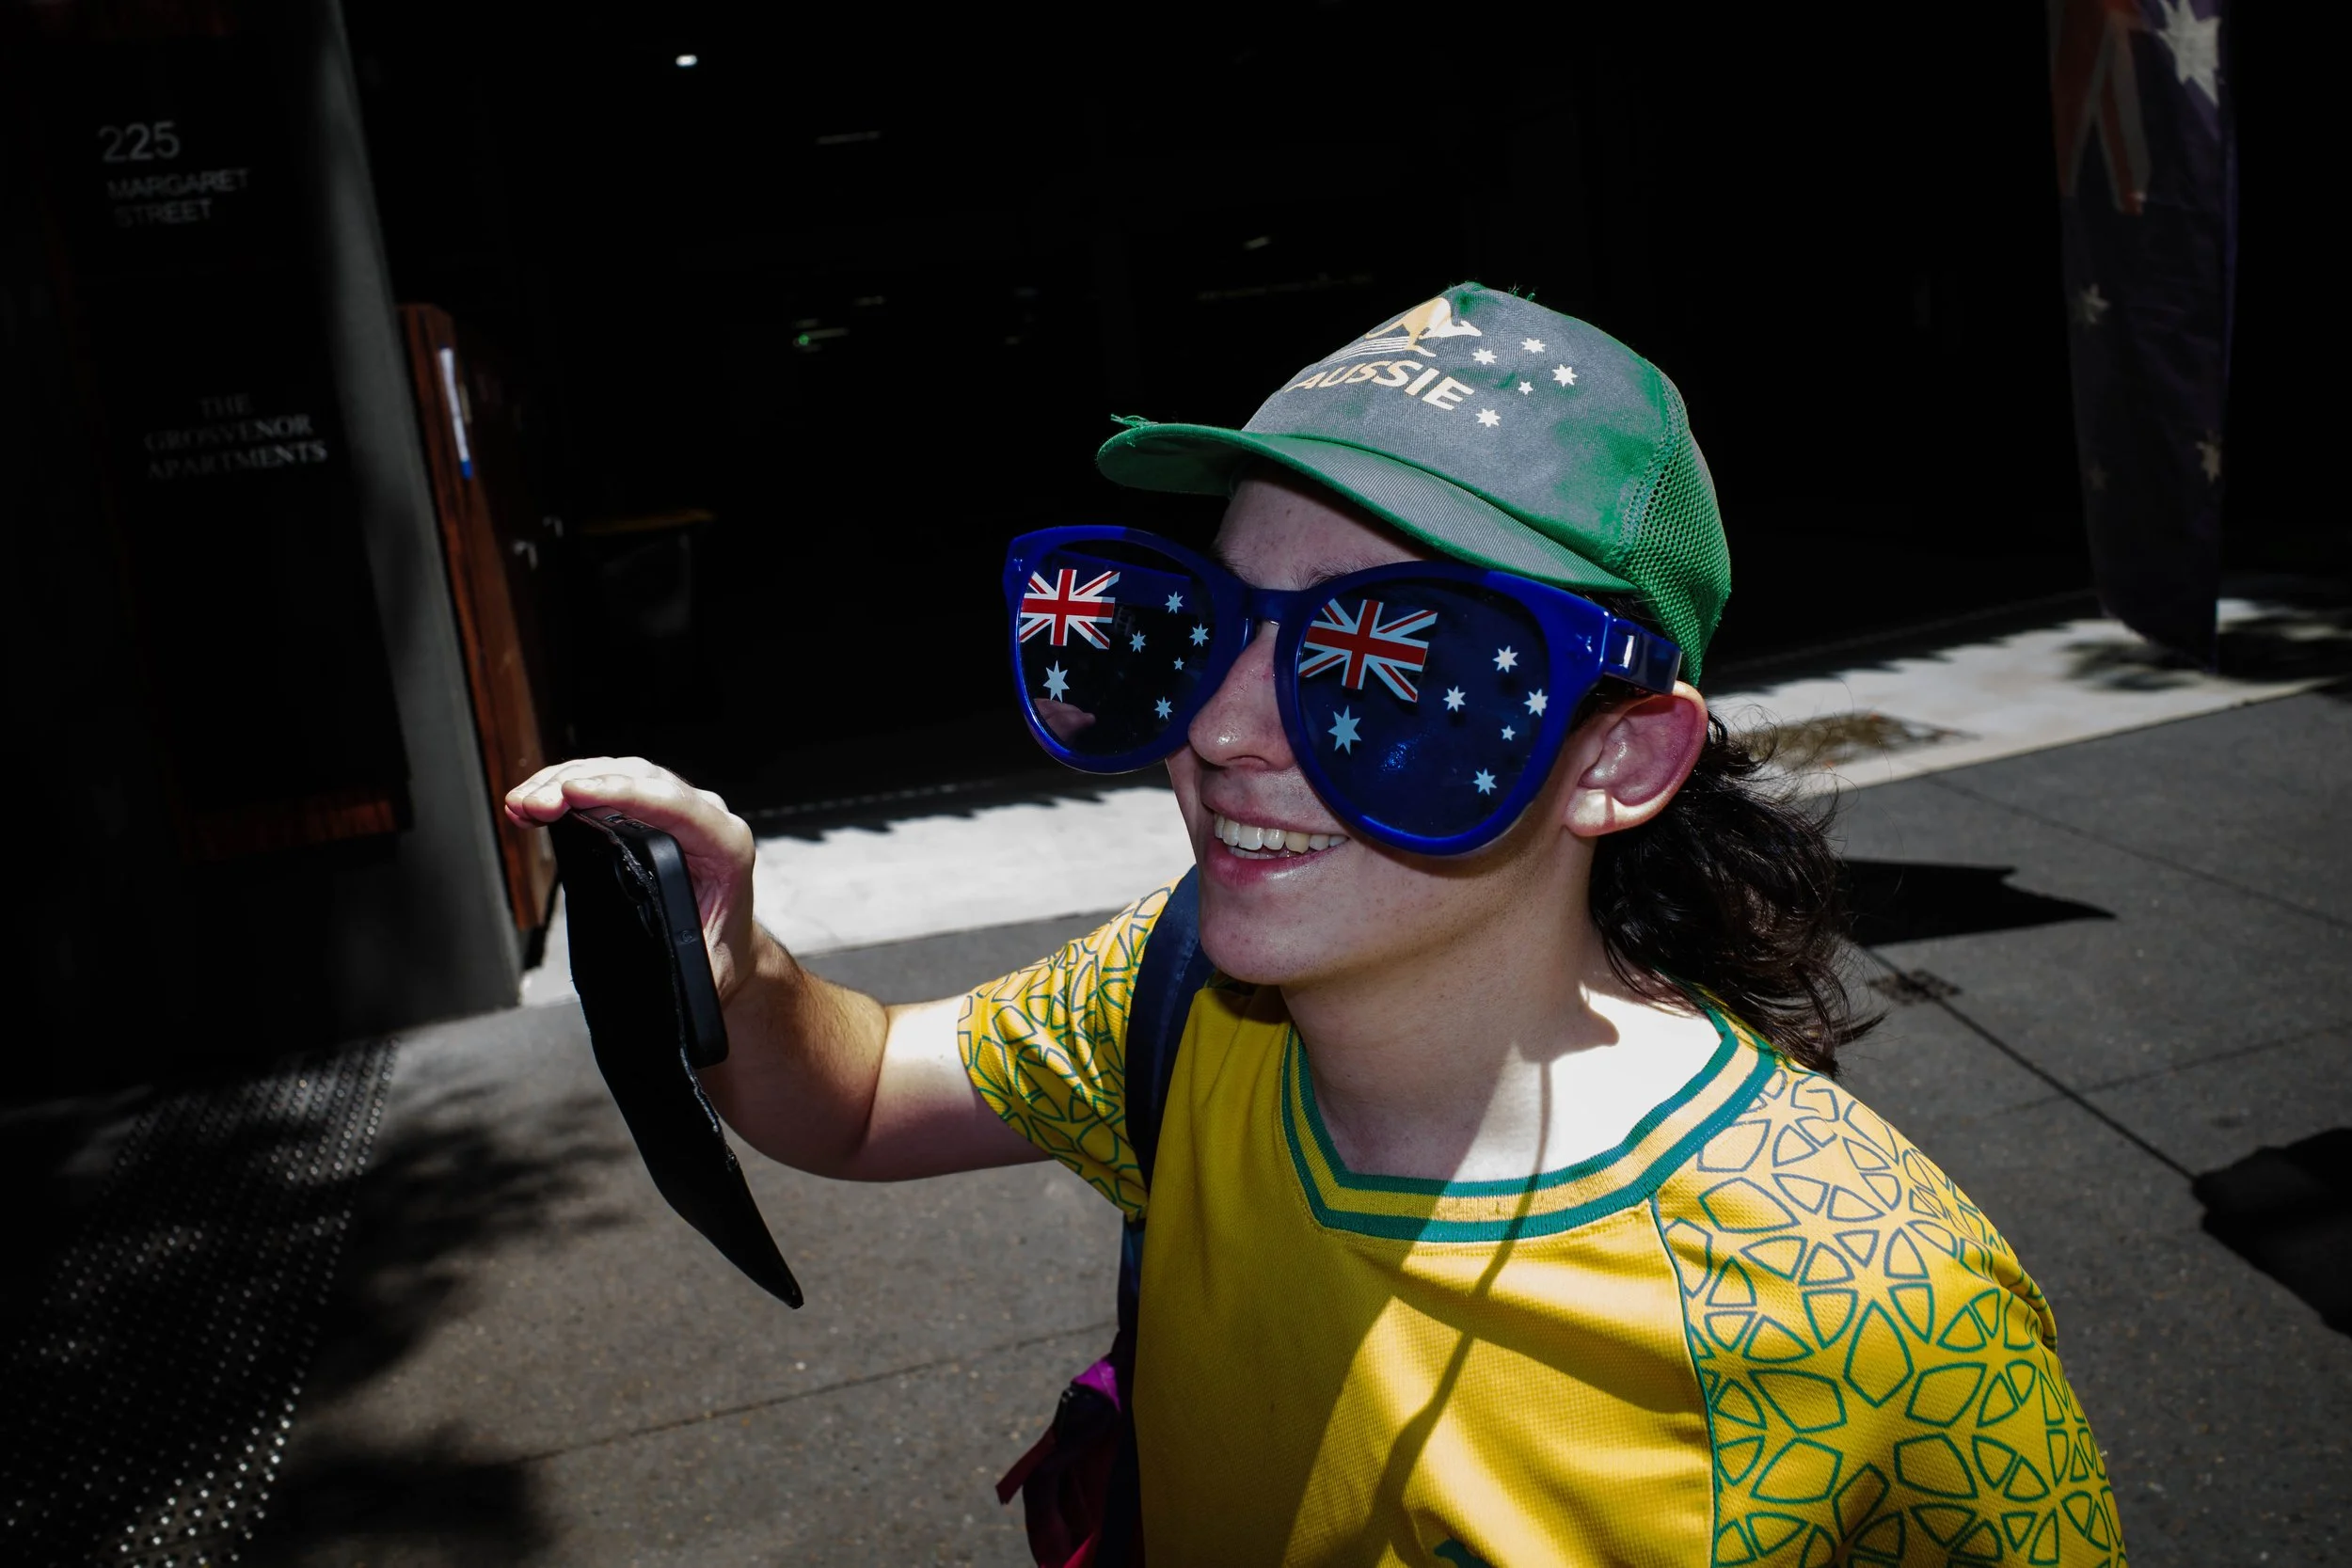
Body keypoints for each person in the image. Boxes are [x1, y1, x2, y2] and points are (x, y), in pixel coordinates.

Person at [506, 285, 2126, 1567]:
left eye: (1394, 667)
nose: (1217, 727)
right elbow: (853, 1094)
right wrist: (733, 957)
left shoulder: (1877, 1307)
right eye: (1198, 626)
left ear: (1620, 759)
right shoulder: (1176, 988)